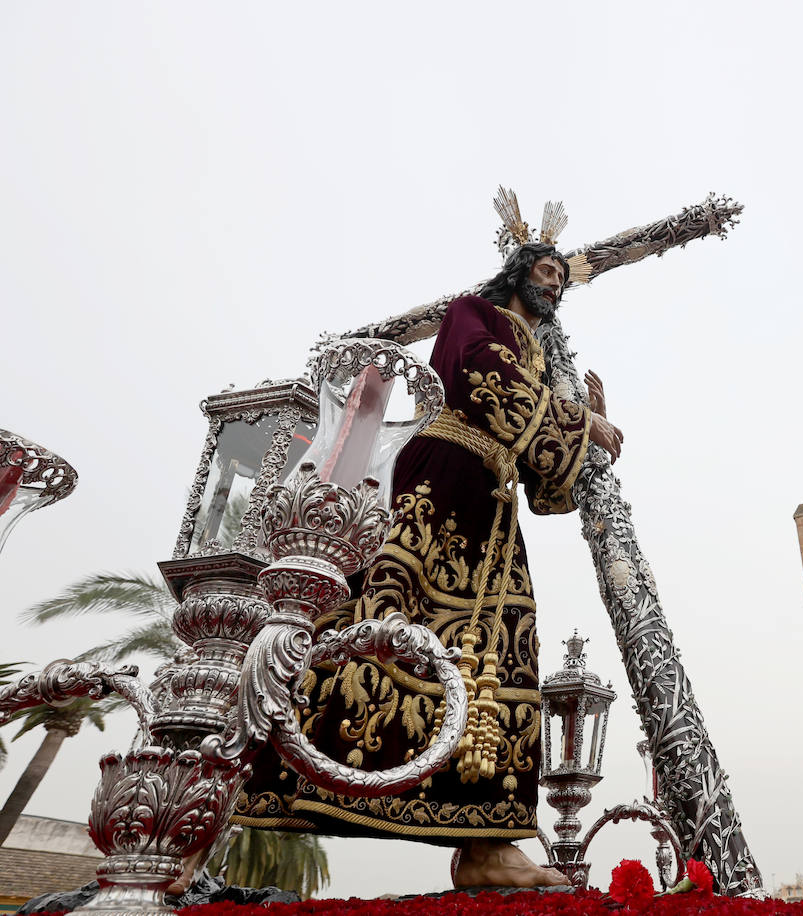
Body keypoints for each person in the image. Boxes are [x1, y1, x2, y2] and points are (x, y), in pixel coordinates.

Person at [234, 241, 623, 888]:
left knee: (502, 648)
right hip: (441, 482)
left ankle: (486, 843)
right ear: (517, 273)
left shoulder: (538, 357)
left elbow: (546, 485)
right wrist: (576, 422)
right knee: (387, 620)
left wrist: (585, 434)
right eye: (545, 271)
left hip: (493, 508)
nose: (554, 283)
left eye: (561, 277)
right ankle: (227, 799)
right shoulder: (474, 313)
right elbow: (478, 372)